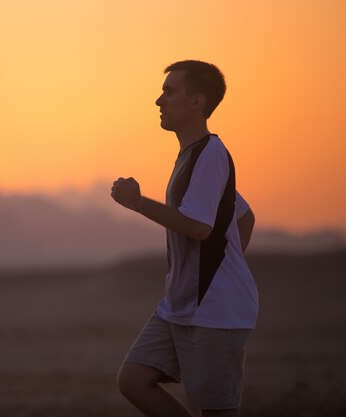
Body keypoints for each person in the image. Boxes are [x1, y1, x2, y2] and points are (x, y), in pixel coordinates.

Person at [110, 60, 258, 417]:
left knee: (216, 411)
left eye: (169, 91)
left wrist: (137, 202)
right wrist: (225, 260)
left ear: (197, 102)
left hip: (214, 311)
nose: (159, 101)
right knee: (133, 380)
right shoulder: (193, 156)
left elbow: (198, 227)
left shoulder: (210, 154)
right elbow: (244, 215)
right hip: (181, 306)